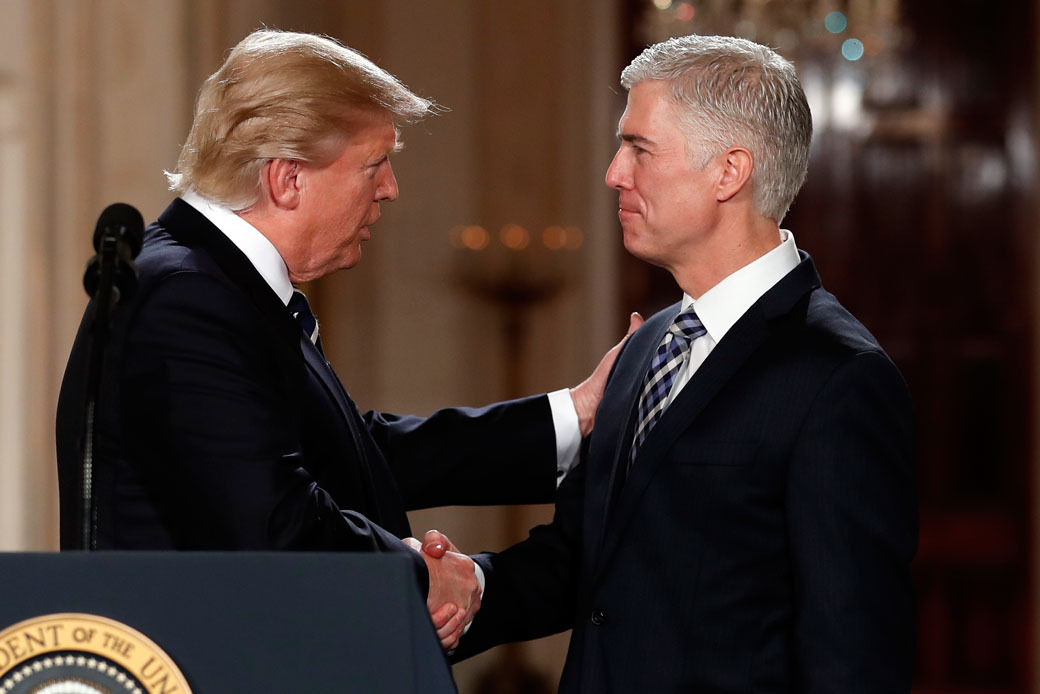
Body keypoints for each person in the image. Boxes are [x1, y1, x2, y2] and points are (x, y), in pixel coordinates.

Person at [55, 29, 635, 650]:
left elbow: (353, 456)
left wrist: (576, 413)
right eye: (374, 163)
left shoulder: (212, 281)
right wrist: (423, 574)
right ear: (287, 179)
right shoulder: (187, 299)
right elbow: (274, 527)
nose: (390, 188)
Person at [420, 34, 917, 691]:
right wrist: (472, 585)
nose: (613, 173)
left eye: (639, 149)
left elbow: (854, 654)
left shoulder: (839, 377)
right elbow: (589, 562)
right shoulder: (644, 348)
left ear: (729, 172)